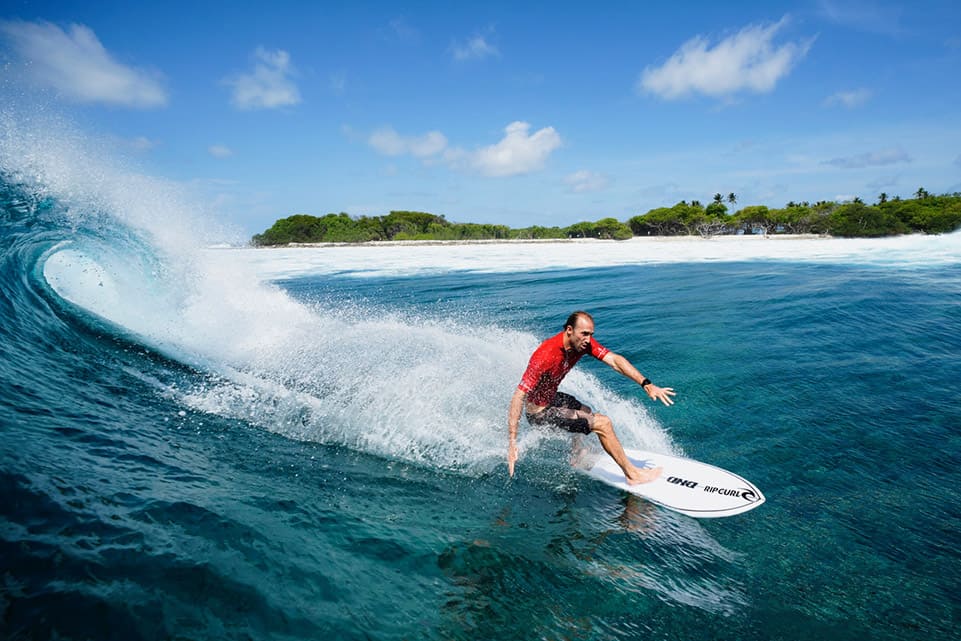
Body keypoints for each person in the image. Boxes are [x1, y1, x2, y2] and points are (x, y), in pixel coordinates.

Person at [507, 311, 676, 485]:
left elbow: (615, 361)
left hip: (551, 398)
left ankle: (576, 454)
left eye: (591, 335)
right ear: (570, 330)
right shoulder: (545, 355)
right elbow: (518, 396)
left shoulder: (583, 344)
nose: (588, 339)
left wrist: (646, 383)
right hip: (540, 413)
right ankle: (632, 475)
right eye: (584, 334)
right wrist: (512, 441)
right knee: (603, 423)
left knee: (586, 410)